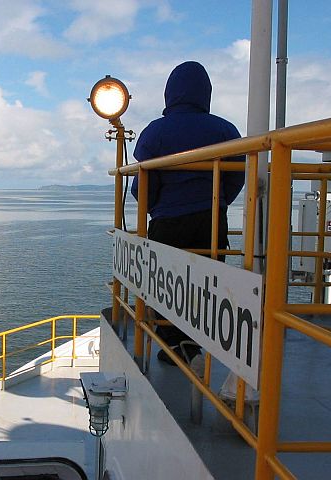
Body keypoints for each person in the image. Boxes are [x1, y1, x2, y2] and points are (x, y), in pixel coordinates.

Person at [131, 61, 245, 366]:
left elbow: (143, 185)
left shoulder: (155, 132)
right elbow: (237, 176)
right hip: (211, 221)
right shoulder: (225, 130)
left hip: (168, 221)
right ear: (205, 92)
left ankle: (172, 343)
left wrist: (155, 207)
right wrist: (219, 203)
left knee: (164, 283)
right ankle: (195, 343)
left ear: (170, 93)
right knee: (207, 283)